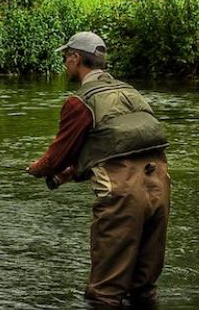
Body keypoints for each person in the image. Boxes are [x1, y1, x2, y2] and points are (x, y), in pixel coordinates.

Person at [28, 31, 171, 309]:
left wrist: (36, 169)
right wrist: (76, 170)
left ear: (75, 57)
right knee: (144, 290)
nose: (64, 63)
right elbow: (117, 141)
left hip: (122, 196)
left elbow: (55, 158)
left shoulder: (80, 101)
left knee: (104, 293)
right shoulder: (130, 91)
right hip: (161, 187)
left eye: (65, 57)